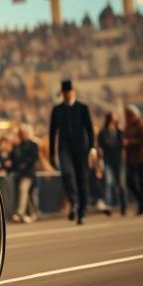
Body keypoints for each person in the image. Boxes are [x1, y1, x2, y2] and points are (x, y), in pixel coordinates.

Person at [48, 80, 95, 225]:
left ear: (73, 92)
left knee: (82, 179)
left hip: (81, 148)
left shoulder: (82, 108)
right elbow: (52, 132)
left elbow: (90, 129)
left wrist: (92, 148)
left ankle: (82, 211)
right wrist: (52, 152)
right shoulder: (57, 110)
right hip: (64, 147)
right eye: (64, 93)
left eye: (68, 92)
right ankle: (73, 202)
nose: (67, 95)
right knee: (67, 174)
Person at [123, 105, 143, 216]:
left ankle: (142, 206)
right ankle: (141, 201)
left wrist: (130, 142)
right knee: (130, 181)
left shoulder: (140, 124)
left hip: (141, 157)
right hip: (131, 158)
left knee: (142, 182)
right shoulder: (128, 126)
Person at [98, 112, 126, 215]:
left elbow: (123, 145)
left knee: (121, 185)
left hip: (119, 161)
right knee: (108, 183)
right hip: (108, 161)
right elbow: (100, 147)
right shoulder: (103, 133)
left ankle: (123, 206)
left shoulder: (119, 132)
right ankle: (108, 205)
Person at [11, 125, 39, 224]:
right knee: (29, 194)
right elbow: (14, 159)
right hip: (21, 174)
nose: (22, 135)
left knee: (24, 190)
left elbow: (35, 157)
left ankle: (20, 213)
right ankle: (34, 213)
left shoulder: (32, 144)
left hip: (29, 173)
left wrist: (25, 164)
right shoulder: (18, 146)